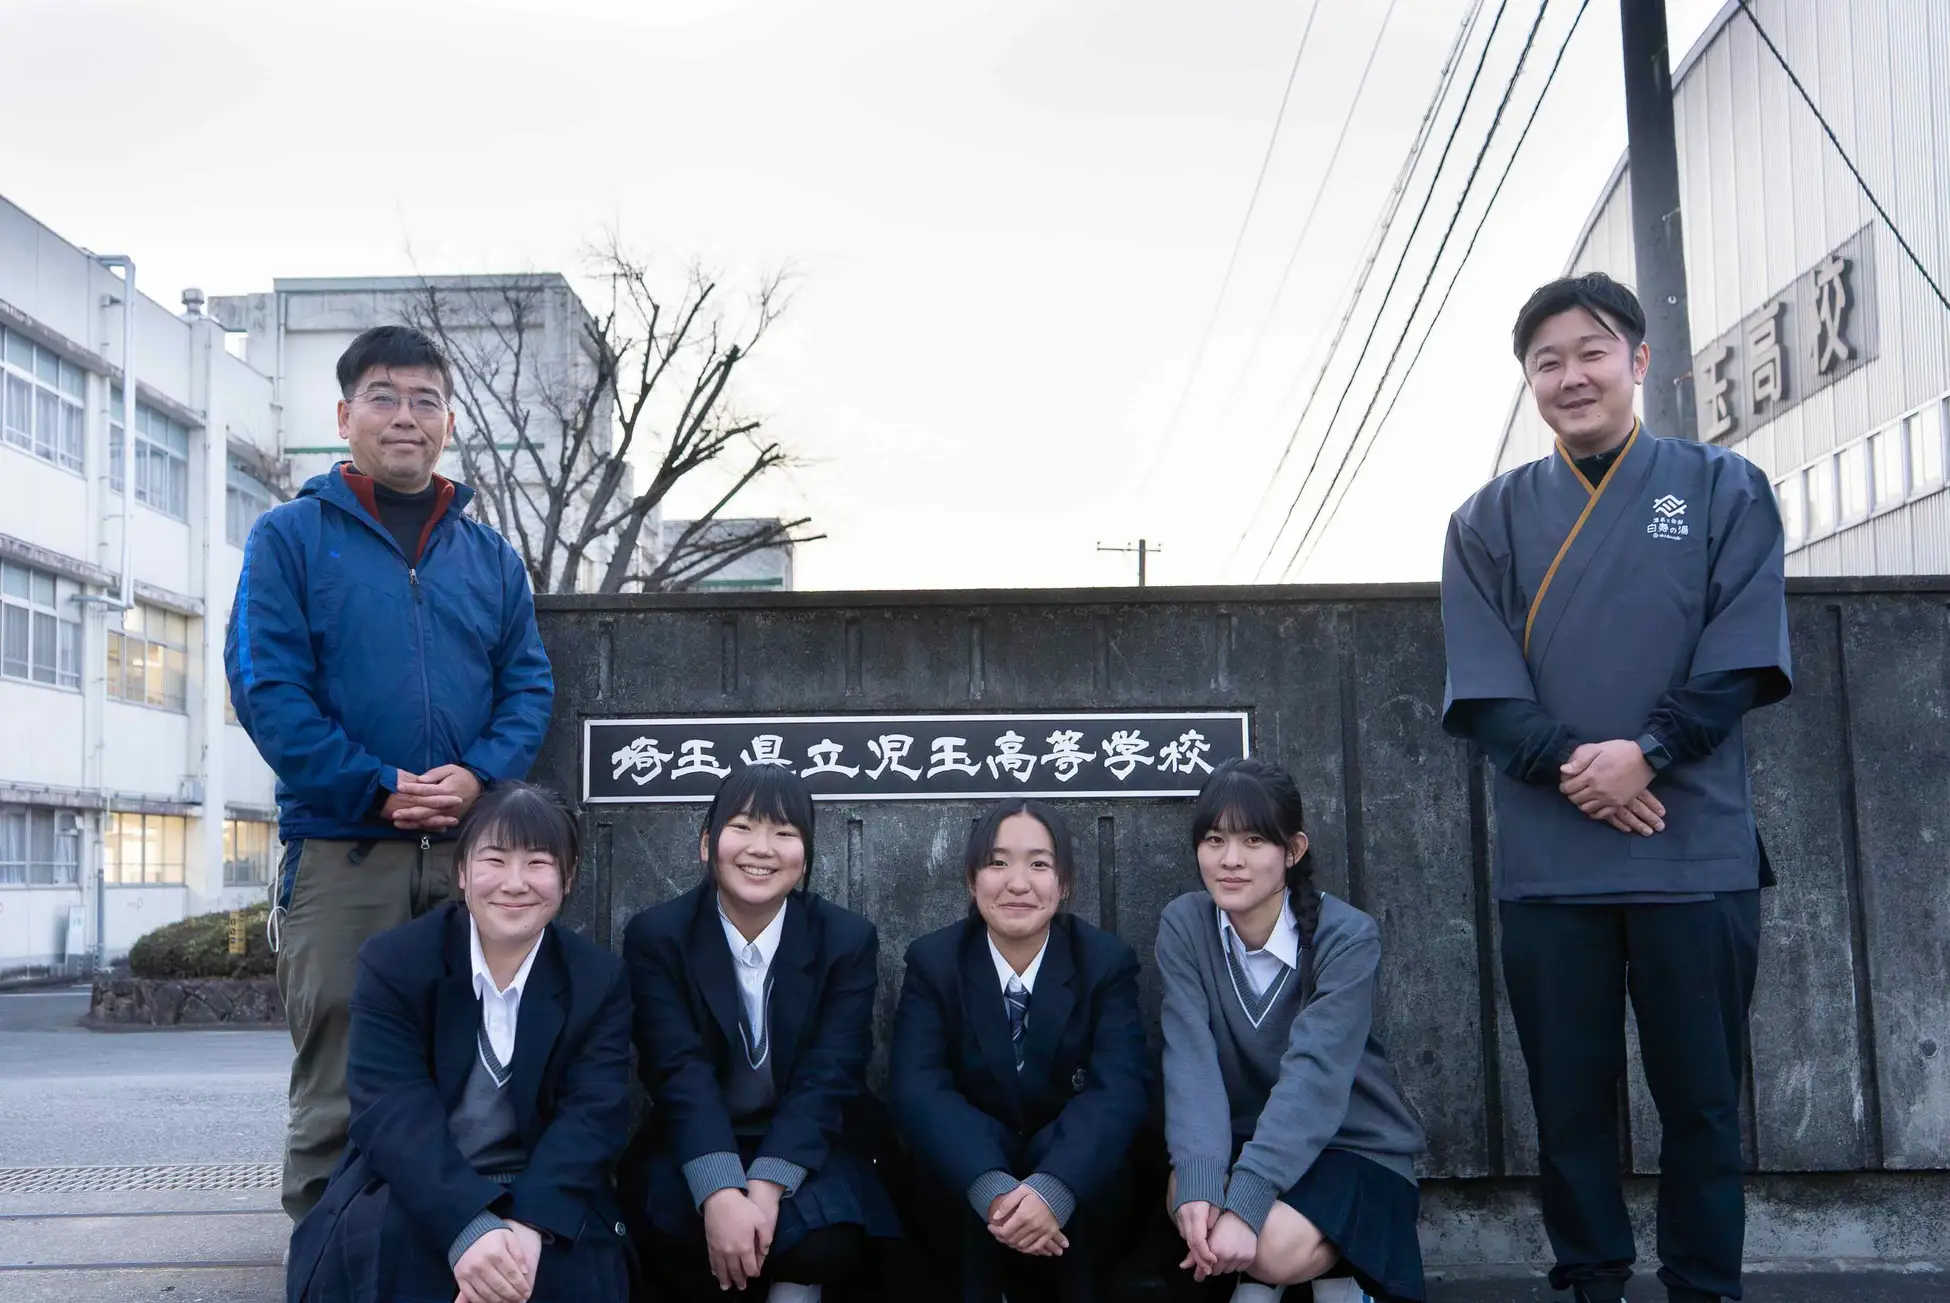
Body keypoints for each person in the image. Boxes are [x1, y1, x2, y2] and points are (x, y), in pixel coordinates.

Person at [1439, 272, 1791, 1303]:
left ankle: (1703, 1286)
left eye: (1590, 351)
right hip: (1553, 863)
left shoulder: (1727, 488)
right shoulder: (1484, 519)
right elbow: (1482, 682)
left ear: (1639, 360)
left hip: (1696, 847)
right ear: (1530, 384)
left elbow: (1741, 656)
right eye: (1545, 361)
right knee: (1570, 1100)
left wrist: (1649, 752)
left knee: (1702, 1104)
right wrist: (1581, 770)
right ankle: (1591, 1278)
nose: (1569, 375)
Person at [225, 324, 554, 1222]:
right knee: (338, 1060)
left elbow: (528, 682)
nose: (405, 416)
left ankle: (451, 1246)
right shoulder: (289, 538)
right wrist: (374, 782)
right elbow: (267, 689)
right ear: (344, 415)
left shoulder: (489, 557)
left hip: (467, 856)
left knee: (469, 1061)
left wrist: (480, 778)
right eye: (384, 396)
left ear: (447, 421)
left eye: (425, 400)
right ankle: (328, 1253)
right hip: (343, 851)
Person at [285, 783, 634, 1303]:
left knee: (571, 1273)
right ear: (464, 872)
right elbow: (391, 1110)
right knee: (394, 1258)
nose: (515, 883)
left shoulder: (596, 976)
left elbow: (595, 1113)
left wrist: (529, 1227)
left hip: (539, 1185)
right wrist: (468, 1227)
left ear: (569, 875)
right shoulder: (397, 961)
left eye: (538, 863)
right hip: (416, 1181)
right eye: (494, 859)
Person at [623, 765, 898, 1302]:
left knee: (818, 1236)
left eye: (785, 832)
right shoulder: (658, 937)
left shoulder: (845, 940)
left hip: (804, 1139)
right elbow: (676, 1070)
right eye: (743, 827)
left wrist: (768, 1185)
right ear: (708, 844)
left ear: (806, 856)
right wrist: (721, 1190)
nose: (762, 848)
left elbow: (831, 1074)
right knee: (680, 1228)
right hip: (698, 1134)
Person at [1157, 758, 1426, 1303]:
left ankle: (1339, 1280)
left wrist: (1248, 1203)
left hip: (1351, 1143)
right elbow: (1190, 1065)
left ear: (1293, 850)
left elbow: (1315, 1079)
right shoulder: (1186, 924)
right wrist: (1206, 1187)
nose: (1231, 860)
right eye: (1214, 840)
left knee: (1269, 1245)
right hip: (1242, 1138)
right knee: (1189, 1195)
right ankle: (1281, 1281)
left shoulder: (1345, 936)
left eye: (1254, 841)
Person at [888, 799, 1151, 1303]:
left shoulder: (1104, 962)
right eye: (997, 862)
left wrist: (1054, 1188)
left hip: (1072, 1176)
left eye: (1039, 863)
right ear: (971, 880)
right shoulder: (935, 961)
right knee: (935, 1169)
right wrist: (993, 1191)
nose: (1017, 882)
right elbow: (918, 1088)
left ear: (1065, 883)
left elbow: (1117, 1089)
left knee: (1107, 1170)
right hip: (968, 1179)